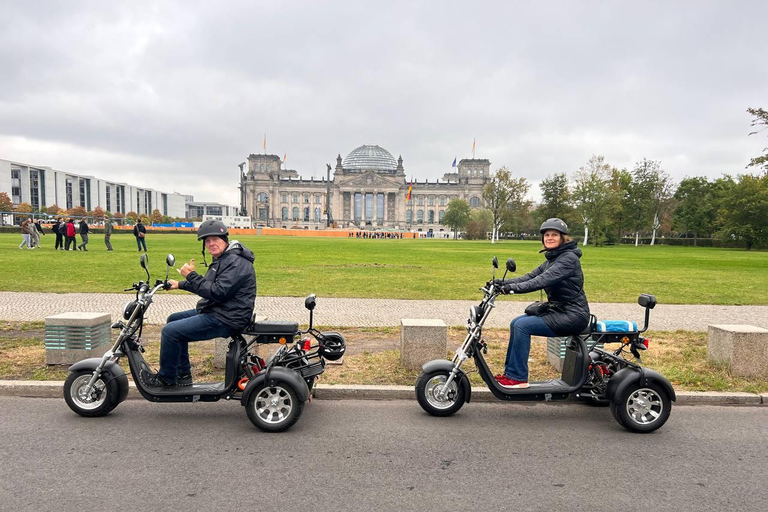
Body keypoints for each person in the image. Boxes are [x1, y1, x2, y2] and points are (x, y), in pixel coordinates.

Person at [142, 220, 257, 388]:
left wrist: (191, 276)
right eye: (207, 241)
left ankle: (166, 379)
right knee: (173, 319)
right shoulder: (223, 259)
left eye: (215, 239)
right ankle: (183, 374)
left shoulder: (236, 262)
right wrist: (180, 284)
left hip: (228, 317)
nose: (211, 244)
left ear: (225, 239)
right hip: (220, 310)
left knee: (170, 332)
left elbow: (216, 292)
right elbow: (207, 286)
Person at [493, 218, 590, 388]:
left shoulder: (568, 259)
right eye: (547, 235)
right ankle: (510, 374)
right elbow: (531, 276)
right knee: (516, 322)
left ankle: (517, 378)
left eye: (554, 235)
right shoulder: (553, 258)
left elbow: (541, 281)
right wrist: (503, 283)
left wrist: (511, 289)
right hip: (560, 311)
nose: (550, 238)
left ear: (562, 238)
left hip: (573, 315)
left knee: (522, 326)